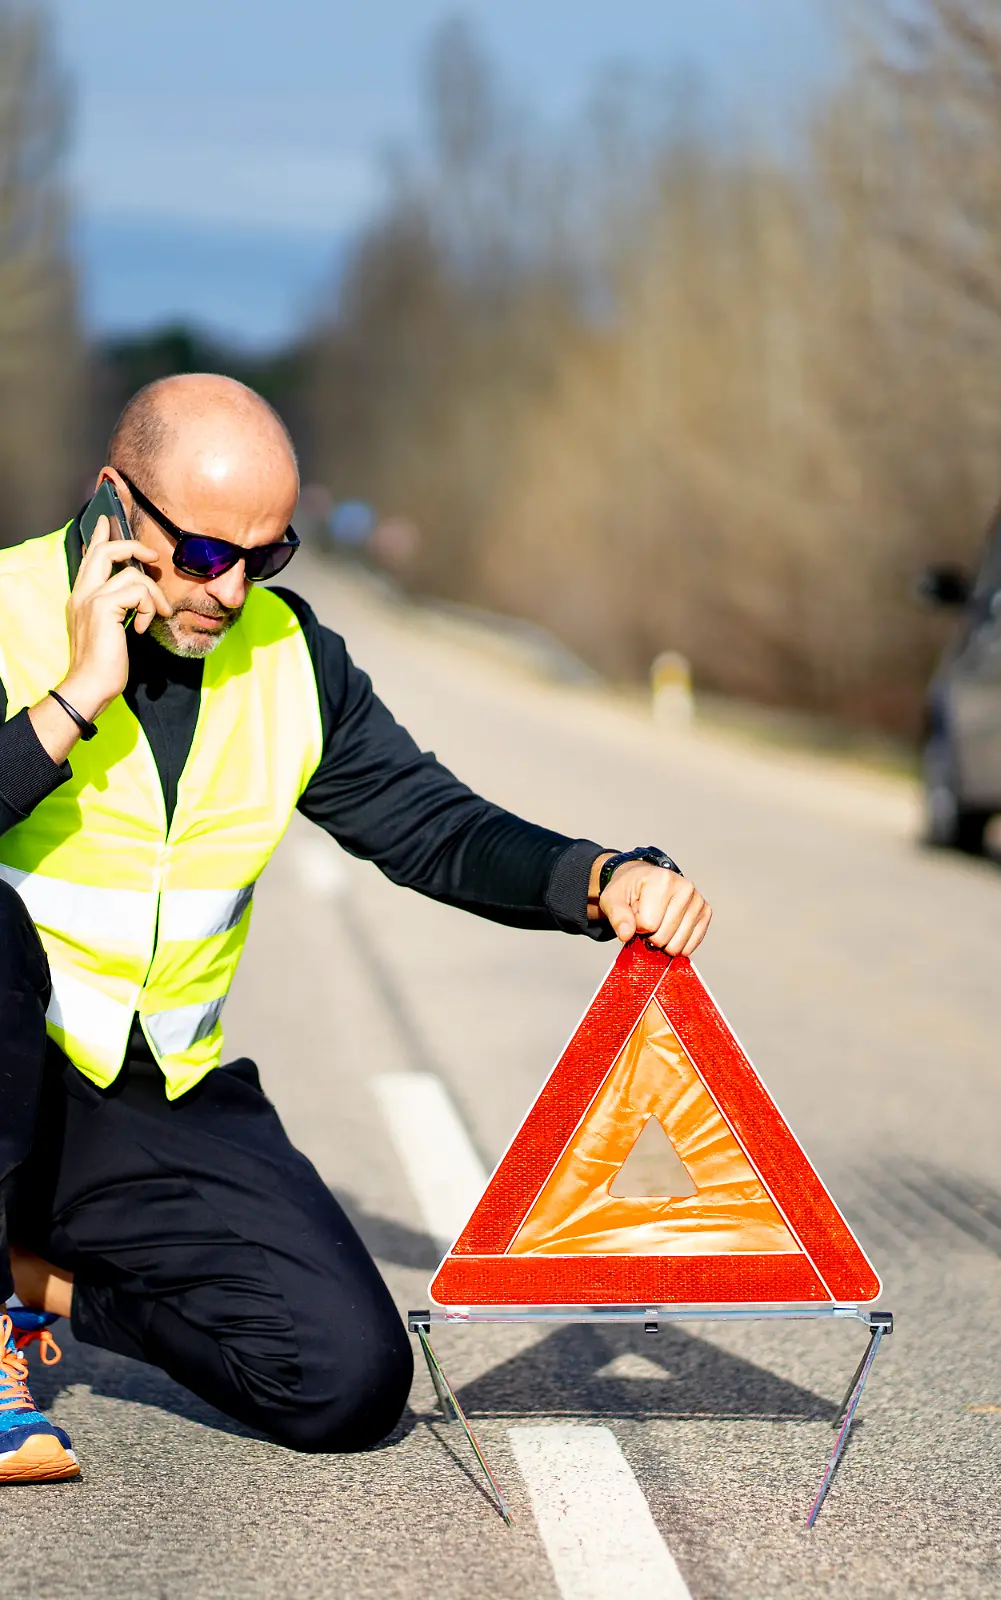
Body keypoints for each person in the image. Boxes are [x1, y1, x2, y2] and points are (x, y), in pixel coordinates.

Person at [0, 374, 711, 1483]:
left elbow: (434, 826)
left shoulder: (291, 660)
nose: (229, 591)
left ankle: (35, 1282)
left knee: (347, 1379)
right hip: (7, 1074)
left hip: (143, 1101)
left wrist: (597, 877)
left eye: (266, 555)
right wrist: (75, 696)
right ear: (110, 503)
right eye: (200, 553)